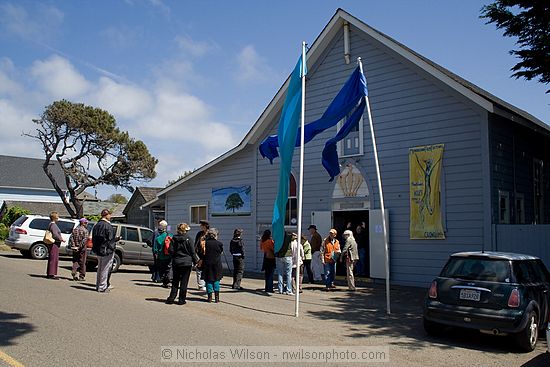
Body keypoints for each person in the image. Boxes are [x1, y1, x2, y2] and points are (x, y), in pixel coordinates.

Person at [166, 223, 198, 305]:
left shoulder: (174, 239)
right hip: (186, 262)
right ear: (186, 230)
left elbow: (170, 251)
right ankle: (181, 299)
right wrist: (196, 262)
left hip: (176, 262)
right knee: (184, 282)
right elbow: (192, 252)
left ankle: (171, 298)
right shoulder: (189, 239)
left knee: (175, 281)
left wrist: (174, 257)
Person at [92, 209, 118, 293]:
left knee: (100, 268)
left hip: (98, 249)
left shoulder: (97, 225)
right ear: (106, 215)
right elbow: (110, 239)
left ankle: (98, 285)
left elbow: (94, 238)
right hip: (106, 250)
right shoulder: (108, 226)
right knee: (105, 269)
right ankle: (102, 286)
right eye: (109, 214)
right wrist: (114, 242)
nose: (110, 216)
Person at [201, 228, 224, 303]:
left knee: (208, 280)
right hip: (217, 264)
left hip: (207, 263)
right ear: (215, 235)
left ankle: (209, 297)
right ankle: (217, 298)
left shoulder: (205, 243)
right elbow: (221, 252)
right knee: (216, 280)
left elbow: (202, 252)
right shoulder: (219, 243)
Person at [153, 220, 172, 288]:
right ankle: (168, 282)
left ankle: (164, 282)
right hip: (169, 255)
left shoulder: (158, 238)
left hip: (161, 256)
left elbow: (155, 248)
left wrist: (155, 253)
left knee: (162, 269)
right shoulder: (170, 236)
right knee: (168, 269)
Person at [46, 211, 64, 279]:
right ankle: (51, 274)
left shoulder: (50, 224)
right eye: (57, 217)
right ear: (55, 218)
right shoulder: (53, 225)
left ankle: (50, 273)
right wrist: (61, 239)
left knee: (52, 257)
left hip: (53, 243)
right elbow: (55, 234)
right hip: (54, 243)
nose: (58, 218)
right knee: (53, 258)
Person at [275, 231, 293, 295]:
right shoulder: (289, 237)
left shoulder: (278, 239)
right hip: (288, 255)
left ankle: (280, 289)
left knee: (280, 273)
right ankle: (288, 289)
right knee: (288, 273)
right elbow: (296, 236)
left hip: (280, 256)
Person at [194, 220, 209, 291]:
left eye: (201, 225)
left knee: (207, 269)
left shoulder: (210, 233)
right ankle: (201, 285)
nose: (200, 226)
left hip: (208, 254)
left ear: (205, 226)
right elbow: (196, 243)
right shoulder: (199, 234)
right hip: (200, 254)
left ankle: (207, 284)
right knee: (199, 269)